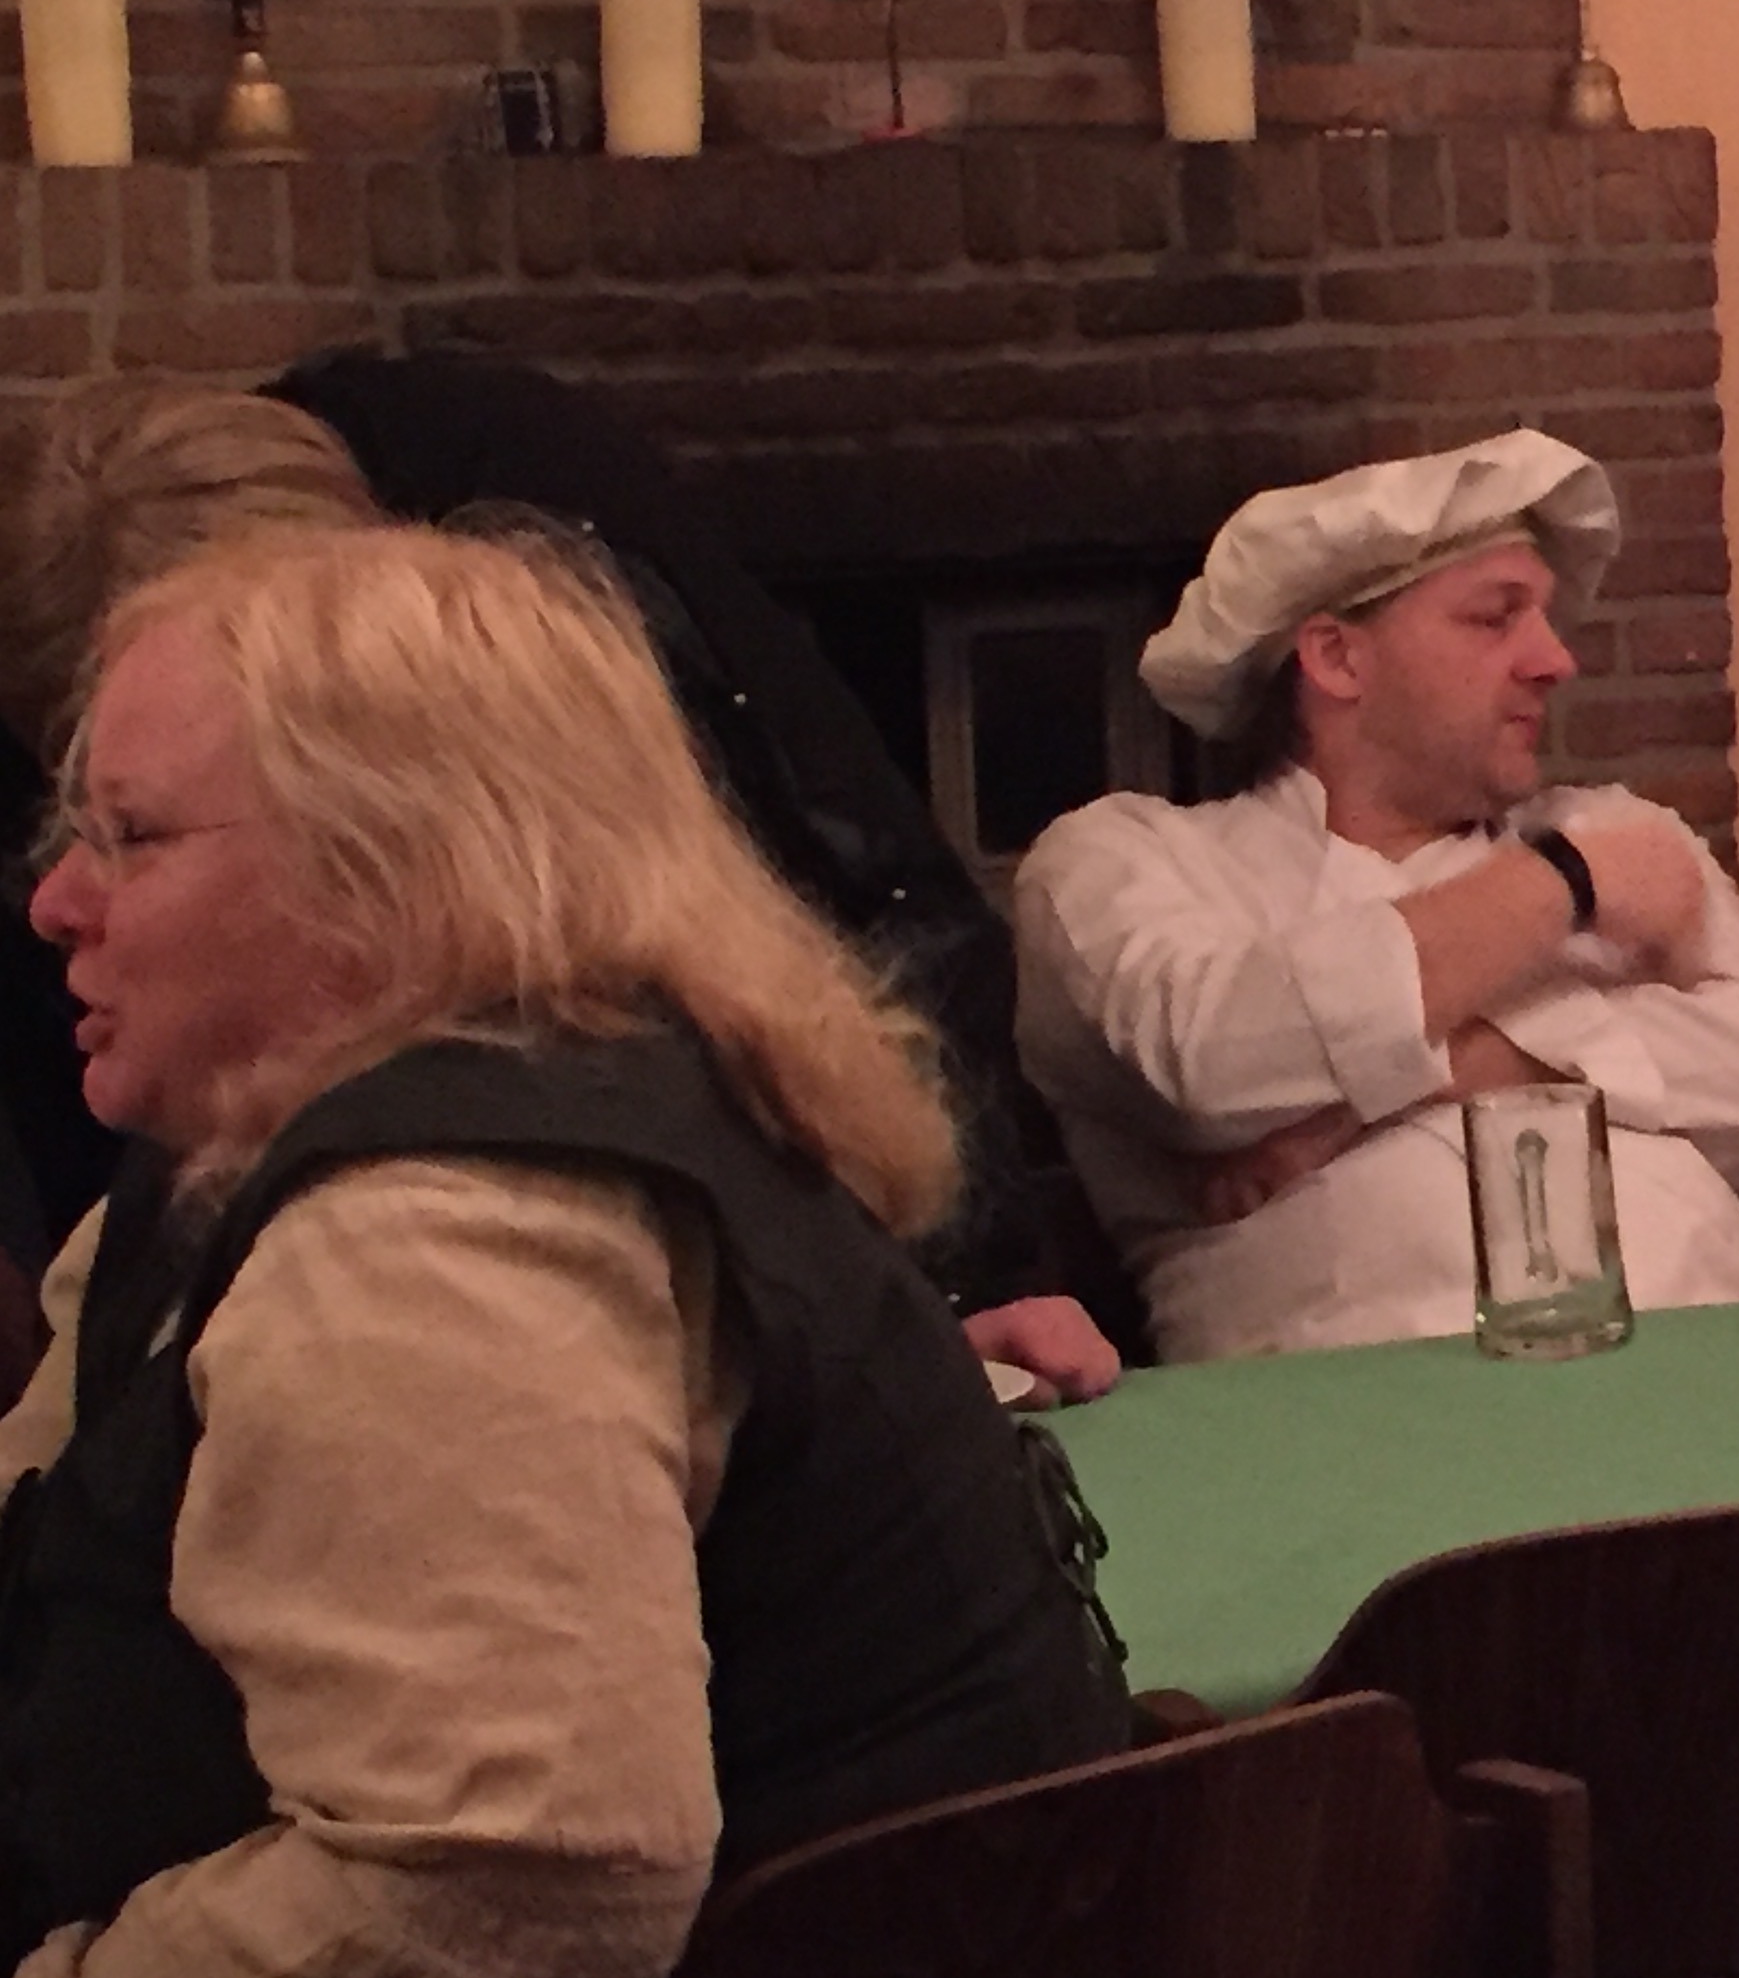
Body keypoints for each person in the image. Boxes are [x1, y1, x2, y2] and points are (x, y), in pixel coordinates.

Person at [0, 518, 1128, 1978]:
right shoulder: (270, 1168)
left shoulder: (438, 1232)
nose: (54, 901)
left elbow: (512, 1880)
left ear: (388, 868)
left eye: (131, 834)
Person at [0, 364, 1117, 1398]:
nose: (59, 900)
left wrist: (940, 1315)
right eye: (77, 816)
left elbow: (862, 910)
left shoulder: (507, 1166)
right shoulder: (163, 1215)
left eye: (134, 831)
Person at [1015, 430, 1739, 1361]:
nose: (1554, 659)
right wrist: (1564, 885)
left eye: (1544, 617)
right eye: (1494, 617)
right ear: (1337, 658)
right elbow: (1213, 1065)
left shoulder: (1607, 821)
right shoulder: (1124, 860)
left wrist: (1433, 1076)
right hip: (1357, 1419)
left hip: (1724, 1366)